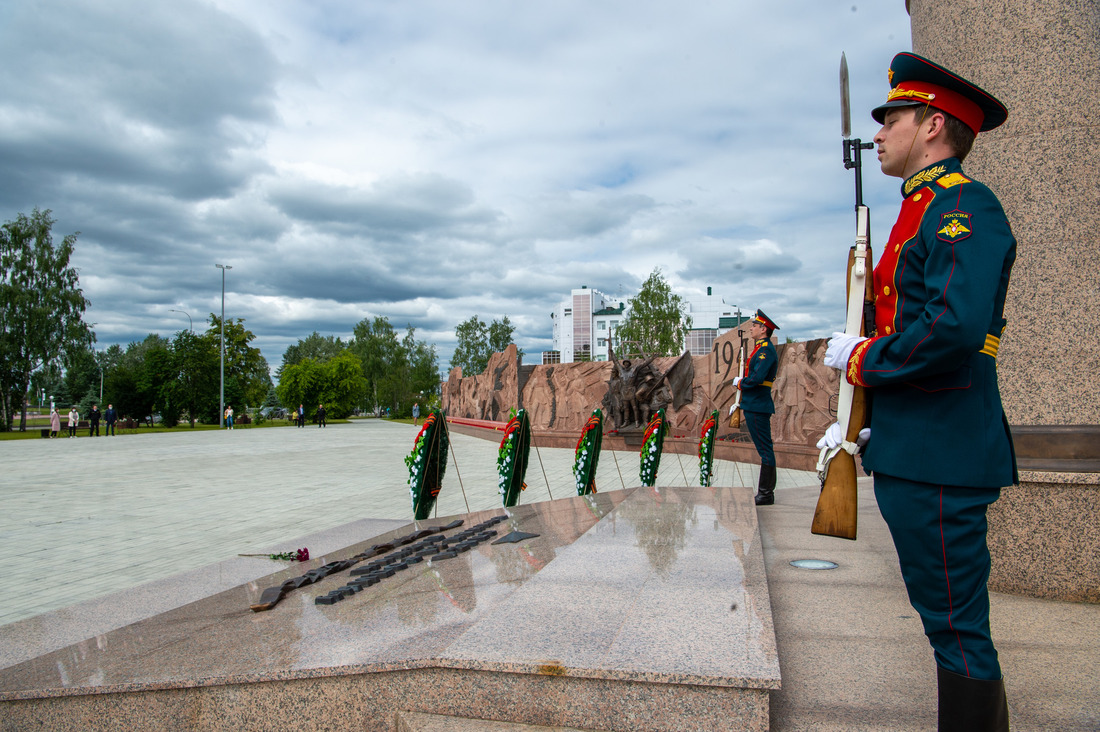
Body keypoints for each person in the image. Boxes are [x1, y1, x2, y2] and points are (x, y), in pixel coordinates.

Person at [821, 52, 1015, 731]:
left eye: (893, 118)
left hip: (943, 444)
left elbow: (953, 329)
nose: (879, 133)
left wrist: (866, 360)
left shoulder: (963, 205)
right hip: (917, 439)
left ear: (933, 126)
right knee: (945, 619)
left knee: (956, 626)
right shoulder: (919, 210)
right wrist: (868, 417)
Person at [733, 310, 779, 505]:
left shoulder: (765, 350)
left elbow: (758, 378)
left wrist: (740, 383)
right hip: (754, 404)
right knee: (764, 449)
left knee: (765, 450)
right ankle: (766, 491)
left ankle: (766, 493)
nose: (751, 328)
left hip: (758, 406)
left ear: (763, 329)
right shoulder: (760, 348)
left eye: (754, 325)